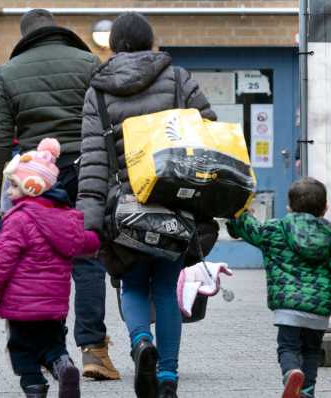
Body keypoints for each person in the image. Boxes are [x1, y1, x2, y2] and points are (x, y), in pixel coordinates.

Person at [76, 12, 216, 398]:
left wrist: (88, 220)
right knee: (167, 287)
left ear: (114, 45)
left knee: (133, 285)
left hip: (123, 207)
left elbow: (93, 160)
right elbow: (208, 131)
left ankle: (141, 344)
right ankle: (168, 379)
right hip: (173, 202)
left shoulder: (98, 91)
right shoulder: (178, 78)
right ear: (150, 41)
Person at [0, 9, 120, 380]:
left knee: (38, 259)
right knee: (88, 258)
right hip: (87, 168)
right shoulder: (88, 62)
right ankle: (93, 350)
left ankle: (53, 350)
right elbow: (110, 121)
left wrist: (1, 190)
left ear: (25, 36)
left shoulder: (8, 72)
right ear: (58, 30)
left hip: (35, 175)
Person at [227, 177, 331, 398]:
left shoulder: (274, 229)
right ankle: (306, 391)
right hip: (318, 311)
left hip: (288, 308)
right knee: (312, 351)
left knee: (288, 348)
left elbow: (249, 229)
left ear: (289, 207)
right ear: (325, 208)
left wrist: (239, 214)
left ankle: (291, 373)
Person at [0, 139, 101, 398]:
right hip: (53, 308)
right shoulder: (65, 219)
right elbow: (84, 242)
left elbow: (0, 264)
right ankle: (63, 366)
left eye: (13, 185)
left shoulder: (17, 220)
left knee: (21, 350)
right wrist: (97, 239)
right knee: (52, 346)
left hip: (20, 307)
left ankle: (34, 390)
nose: (8, 193)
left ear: (31, 187)